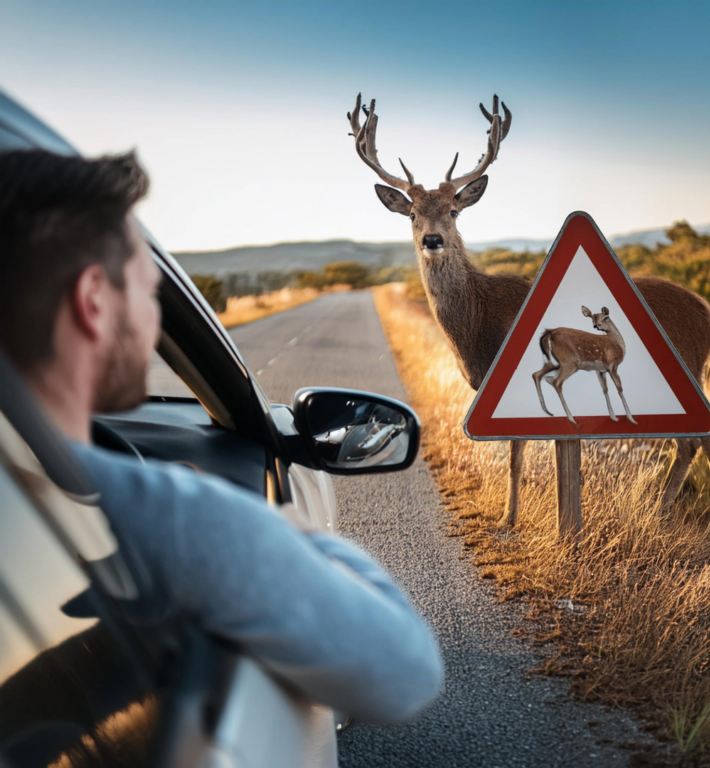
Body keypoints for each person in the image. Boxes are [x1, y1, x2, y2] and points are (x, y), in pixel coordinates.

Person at [0, 148, 443, 724]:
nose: (155, 320)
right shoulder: (167, 516)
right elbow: (406, 674)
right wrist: (275, 525)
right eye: (147, 289)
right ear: (93, 301)